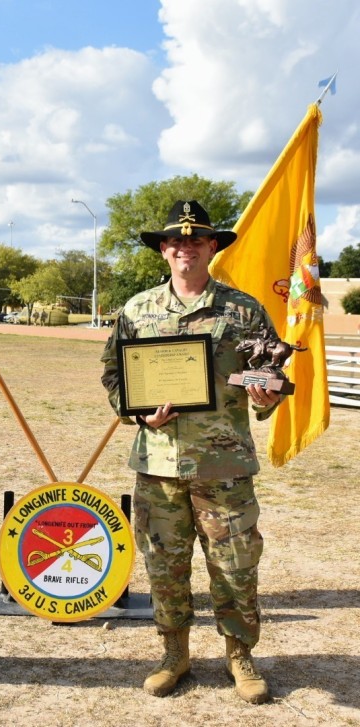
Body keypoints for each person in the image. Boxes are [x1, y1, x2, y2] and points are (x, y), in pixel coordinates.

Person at [101, 200, 283, 704]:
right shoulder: (138, 310)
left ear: (211, 248)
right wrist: (139, 414)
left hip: (223, 464)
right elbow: (114, 375)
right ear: (164, 250)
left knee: (235, 563)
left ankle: (240, 655)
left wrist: (265, 396)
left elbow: (269, 371)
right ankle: (173, 654)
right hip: (158, 465)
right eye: (176, 241)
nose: (186, 248)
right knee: (164, 563)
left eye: (196, 240)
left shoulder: (243, 310)